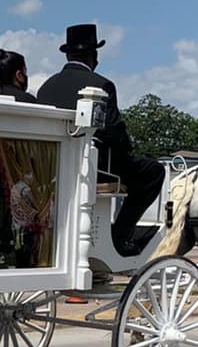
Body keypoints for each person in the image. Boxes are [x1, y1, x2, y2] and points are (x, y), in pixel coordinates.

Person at [36, 24, 163, 257]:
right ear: (93, 55)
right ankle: (120, 236)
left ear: (67, 54)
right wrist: (128, 157)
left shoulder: (46, 87)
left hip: (53, 168)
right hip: (96, 168)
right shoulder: (100, 84)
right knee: (153, 172)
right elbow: (114, 134)